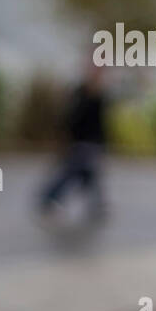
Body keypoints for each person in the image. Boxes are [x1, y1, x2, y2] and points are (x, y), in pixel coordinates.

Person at [38, 70, 108, 220]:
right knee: (74, 172)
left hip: (91, 142)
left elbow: (100, 123)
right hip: (82, 142)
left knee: (87, 175)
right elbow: (72, 119)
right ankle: (49, 198)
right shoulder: (82, 95)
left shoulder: (99, 97)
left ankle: (97, 205)